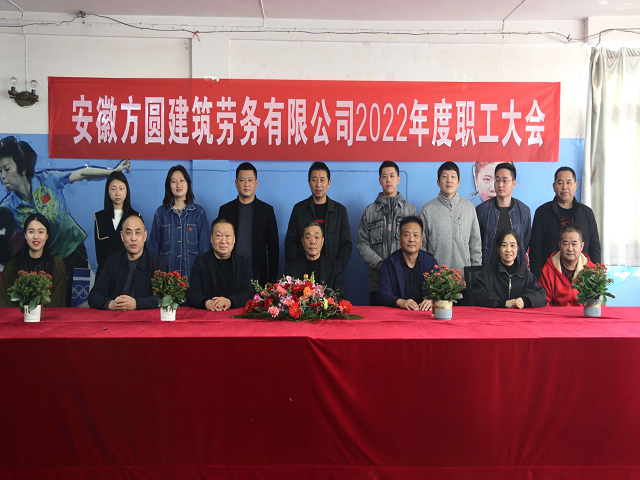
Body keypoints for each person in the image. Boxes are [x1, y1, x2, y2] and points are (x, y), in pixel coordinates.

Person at [0, 135, 129, 306]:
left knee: (79, 303)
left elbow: (82, 173)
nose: (2, 176)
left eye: (7, 169)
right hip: (47, 262)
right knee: (54, 305)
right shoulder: (9, 206)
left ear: (23, 169)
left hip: (74, 251)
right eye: (0, 171)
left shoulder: (47, 180)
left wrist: (114, 172)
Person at [357, 161, 417, 305]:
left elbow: (417, 242)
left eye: (392, 176)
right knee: (378, 318)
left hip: (405, 277)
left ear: (398, 179)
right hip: (377, 279)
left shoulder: (410, 210)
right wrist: (381, 265)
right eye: (384, 176)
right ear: (380, 180)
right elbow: (362, 244)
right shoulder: (370, 211)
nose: (388, 180)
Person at [530, 166, 601, 279]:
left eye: (568, 182)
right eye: (560, 183)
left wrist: (594, 278)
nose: (564, 187)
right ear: (554, 186)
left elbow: (594, 248)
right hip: (550, 278)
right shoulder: (542, 212)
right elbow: (536, 250)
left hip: (582, 279)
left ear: (575, 186)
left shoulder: (587, 213)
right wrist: (539, 280)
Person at [88, 215, 167, 310]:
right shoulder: (112, 261)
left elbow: (165, 297)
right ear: (122, 236)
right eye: (129, 233)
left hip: (144, 317)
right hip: (115, 315)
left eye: (138, 233)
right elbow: (94, 296)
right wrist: (111, 304)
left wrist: (136, 304)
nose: (133, 238)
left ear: (145, 236)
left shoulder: (156, 263)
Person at [218, 162, 279, 284]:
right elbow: (218, 243)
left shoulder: (267, 211)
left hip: (258, 273)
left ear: (256, 183)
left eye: (250, 180)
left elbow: (273, 247)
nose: (246, 184)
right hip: (229, 271)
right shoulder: (225, 210)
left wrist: (272, 280)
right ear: (236, 183)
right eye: (242, 180)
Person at [285, 161, 352, 268]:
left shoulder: (340, 211)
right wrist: (294, 267)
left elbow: (346, 245)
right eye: (314, 180)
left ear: (329, 183)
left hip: (331, 269)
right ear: (309, 182)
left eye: (322, 180)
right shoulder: (299, 209)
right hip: (303, 270)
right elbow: (290, 242)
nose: (318, 185)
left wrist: (337, 268)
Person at [148, 165, 210, 280]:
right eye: (174, 181)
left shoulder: (199, 213)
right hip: (167, 282)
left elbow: (205, 250)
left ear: (188, 183)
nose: (178, 185)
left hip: (193, 279)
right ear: (169, 185)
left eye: (182, 180)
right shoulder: (161, 213)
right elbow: (153, 249)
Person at [419, 161, 481, 273]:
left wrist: (475, 273)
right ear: (438, 182)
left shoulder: (469, 208)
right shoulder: (427, 210)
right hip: (436, 278)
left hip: (463, 277)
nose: (449, 180)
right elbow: (422, 247)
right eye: (444, 176)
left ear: (458, 182)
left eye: (453, 176)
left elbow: (475, 244)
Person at [0, 213, 66, 308]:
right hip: (17, 317)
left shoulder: (57, 265)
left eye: (41, 232)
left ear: (47, 236)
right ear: (25, 235)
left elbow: (57, 303)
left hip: (47, 317)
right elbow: (4, 304)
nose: (36, 236)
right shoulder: (12, 266)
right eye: (31, 232)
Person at [186, 217, 253, 311]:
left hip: (235, 314)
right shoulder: (200, 261)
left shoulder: (243, 262)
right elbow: (192, 294)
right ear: (211, 238)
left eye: (228, 236)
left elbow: (249, 293)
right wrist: (207, 302)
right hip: (209, 313)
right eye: (219, 235)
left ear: (234, 239)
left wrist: (229, 301)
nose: (223, 241)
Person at [472, 228, 547, 308]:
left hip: (519, 315)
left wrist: (524, 300)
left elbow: (541, 296)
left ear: (517, 248)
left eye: (512, 246)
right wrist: (503, 303)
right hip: (495, 315)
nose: (508, 250)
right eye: (504, 245)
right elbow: (477, 295)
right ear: (498, 248)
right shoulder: (488, 272)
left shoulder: (525, 274)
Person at [475, 163, 531, 266]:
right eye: (497, 180)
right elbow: (477, 243)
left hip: (516, 270)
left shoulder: (524, 211)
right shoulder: (482, 210)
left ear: (514, 183)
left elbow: (525, 242)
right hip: (488, 270)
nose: (500, 185)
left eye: (505, 181)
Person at [377, 216, 438, 310]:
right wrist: (400, 302)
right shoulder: (389, 263)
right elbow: (383, 294)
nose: (411, 239)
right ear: (400, 239)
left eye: (415, 235)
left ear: (421, 240)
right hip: (397, 314)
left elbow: (440, 291)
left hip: (424, 314)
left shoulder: (430, 262)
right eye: (407, 235)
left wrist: (432, 300)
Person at [94, 171, 140, 279]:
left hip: (129, 275)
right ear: (108, 191)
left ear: (127, 190)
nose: (117, 193)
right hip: (105, 276)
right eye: (113, 189)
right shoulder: (99, 218)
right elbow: (99, 253)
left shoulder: (135, 217)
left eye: (121, 188)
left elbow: (139, 251)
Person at [284, 221, 345, 299]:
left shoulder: (335, 267)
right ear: (302, 241)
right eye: (308, 237)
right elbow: (286, 298)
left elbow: (339, 297)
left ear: (322, 241)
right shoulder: (291, 268)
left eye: (316, 237)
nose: (312, 242)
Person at [538, 225, 595, 306]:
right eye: (566, 244)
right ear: (559, 246)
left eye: (574, 244)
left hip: (582, 313)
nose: (570, 249)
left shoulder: (591, 270)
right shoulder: (548, 269)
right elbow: (543, 301)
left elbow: (597, 303)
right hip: (556, 313)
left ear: (582, 246)